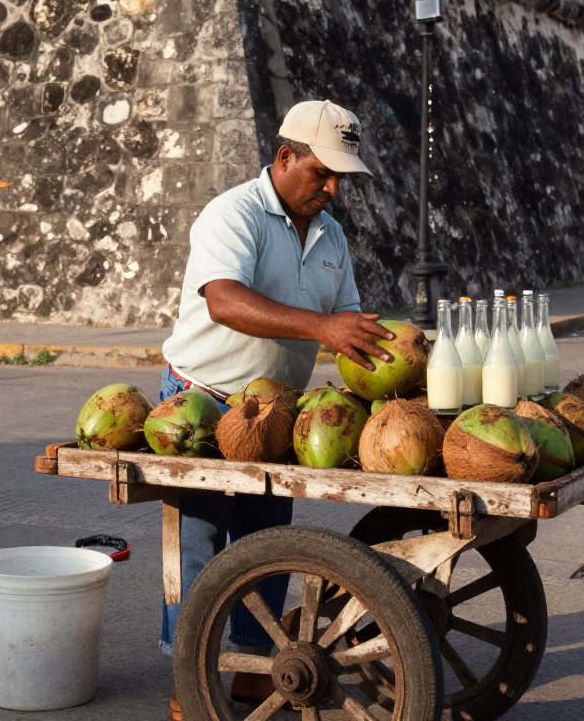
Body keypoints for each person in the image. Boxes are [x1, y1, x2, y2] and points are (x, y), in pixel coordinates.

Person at [158, 100, 386, 719]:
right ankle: (191, 678)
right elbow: (225, 302)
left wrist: (400, 384)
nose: (334, 188)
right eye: (323, 172)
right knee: (202, 544)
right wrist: (322, 327)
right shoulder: (233, 214)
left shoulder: (331, 234)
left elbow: (349, 331)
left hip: (275, 409)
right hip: (201, 402)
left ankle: (254, 673)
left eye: (342, 177)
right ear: (285, 157)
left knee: (267, 539)